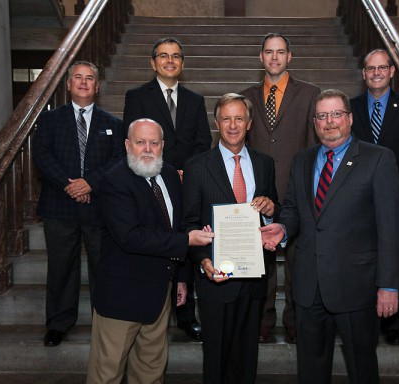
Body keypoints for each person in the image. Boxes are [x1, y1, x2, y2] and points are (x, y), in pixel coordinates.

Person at [260, 89, 399, 384]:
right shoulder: (303, 160)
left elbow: (391, 229)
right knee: (311, 371)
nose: (330, 122)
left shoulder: (378, 159)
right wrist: (283, 228)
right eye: (322, 116)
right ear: (314, 123)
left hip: (357, 286)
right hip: (308, 286)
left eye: (336, 114)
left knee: (362, 368)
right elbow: (292, 209)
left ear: (350, 119)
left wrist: (389, 285)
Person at [86, 118, 213, 384]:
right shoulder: (113, 181)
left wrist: (180, 278)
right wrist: (186, 241)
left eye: (153, 143)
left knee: (150, 373)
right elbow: (130, 237)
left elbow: (175, 225)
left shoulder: (169, 175)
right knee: (106, 375)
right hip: (121, 300)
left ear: (162, 146)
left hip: (159, 294)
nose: (147, 149)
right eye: (140, 142)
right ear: (126, 144)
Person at [182, 93, 278, 384]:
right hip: (217, 276)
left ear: (249, 123)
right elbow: (188, 223)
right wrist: (203, 260)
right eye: (226, 118)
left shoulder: (265, 163)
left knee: (247, 359)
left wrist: (272, 211)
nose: (233, 125)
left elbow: (272, 209)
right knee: (216, 359)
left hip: (253, 278)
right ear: (216, 122)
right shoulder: (197, 165)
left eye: (239, 118)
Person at [122, 37, 212, 340]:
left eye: (175, 56)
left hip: (187, 183)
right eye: (163, 56)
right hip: (151, 182)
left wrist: (189, 172)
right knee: (159, 242)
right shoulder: (136, 97)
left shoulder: (195, 100)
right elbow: (134, 140)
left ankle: (186, 316)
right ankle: (152, 308)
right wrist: (167, 171)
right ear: (153, 62)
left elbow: (203, 141)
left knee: (186, 242)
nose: (170, 61)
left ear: (182, 63)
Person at [32, 61, 125, 347]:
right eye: (77, 78)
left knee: (103, 268)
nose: (83, 83)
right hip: (59, 206)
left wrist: (90, 184)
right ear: (69, 85)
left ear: (97, 87)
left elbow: (117, 161)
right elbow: (42, 157)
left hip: (99, 208)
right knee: (61, 267)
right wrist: (72, 186)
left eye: (89, 79)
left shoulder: (113, 124)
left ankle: (105, 321)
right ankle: (58, 323)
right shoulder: (49, 120)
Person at [241, 32, 320, 344]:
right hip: (257, 192)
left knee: (299, 261)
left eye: (280, 52)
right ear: (261, 58)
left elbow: (316, 146)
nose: (274, 57)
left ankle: (295, 319)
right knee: (262, 258)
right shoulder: (245, 95)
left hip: (297, 190)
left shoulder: (310, 94)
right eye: (269, 52)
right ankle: (263, 318)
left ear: (290, 57)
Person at [350, 48, 399, 346]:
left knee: (391, 255)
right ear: (364, 73)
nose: (376, 73)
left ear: (392, 71)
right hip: (358, 196)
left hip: (394, 197)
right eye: (371, 68)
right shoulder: (351, 107)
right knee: (360, 258)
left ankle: (393, 325)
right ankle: (363, 318)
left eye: (382, 68)